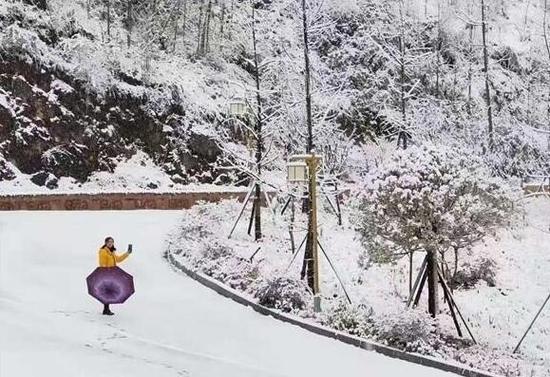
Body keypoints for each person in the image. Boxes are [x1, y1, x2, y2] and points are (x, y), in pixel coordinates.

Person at [98, 237, 132, 315]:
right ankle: (106, 310)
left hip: (112, 274)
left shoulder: (111, 252)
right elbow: (102, 264)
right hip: (106, 274)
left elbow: (118, 259)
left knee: (108, 292)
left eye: (112, 242)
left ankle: (106, 309)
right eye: (109, 242)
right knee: (106, 292)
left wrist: (127, 253)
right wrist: (106, 273)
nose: (110, 243)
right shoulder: (103, 252)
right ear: (105, 243)